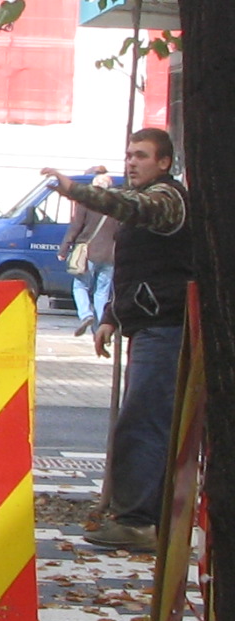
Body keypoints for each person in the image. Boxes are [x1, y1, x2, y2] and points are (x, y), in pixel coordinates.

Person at [45, 129, 191, 551]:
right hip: (150, 324)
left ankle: (137, 522)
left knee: (143, 423)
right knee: (144, 421)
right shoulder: (147, 199)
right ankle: (144, 518)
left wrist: (76, 190)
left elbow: (132, 206)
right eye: (129, 155)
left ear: (164, 162)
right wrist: (111, 315)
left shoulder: (167, 200)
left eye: (141, 155)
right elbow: (134, 267)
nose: (131, 162)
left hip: (165, 326)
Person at [65, 169, 115, 336]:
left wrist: (64, 248)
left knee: (80, 285)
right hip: (110, 256)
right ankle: (100, 330)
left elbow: (76, 227)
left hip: (90, 253)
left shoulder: (86, 203)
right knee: (102, 293)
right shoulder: (115, 205)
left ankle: (86, 315)